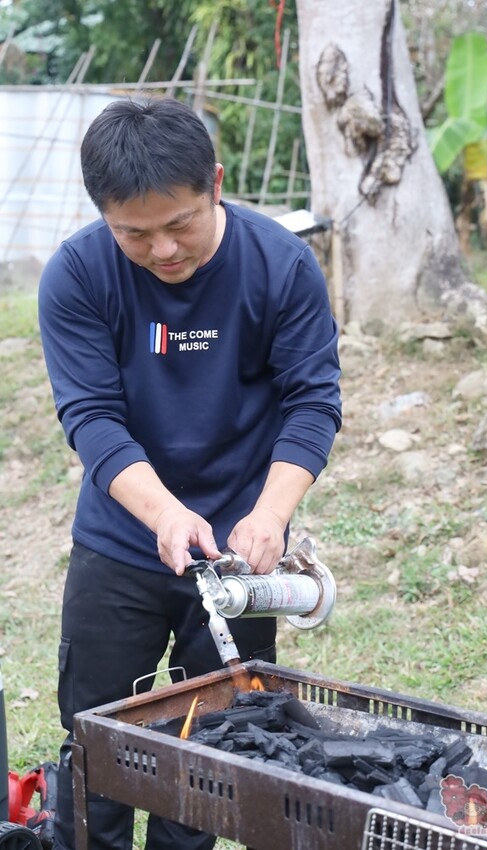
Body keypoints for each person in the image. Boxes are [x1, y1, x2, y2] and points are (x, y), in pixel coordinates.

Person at [37, 96, 342, 850]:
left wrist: (269, 516)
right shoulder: (77, 275)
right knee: (95, 740)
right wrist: (166, 514)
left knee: (213, 757)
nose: (163, 251)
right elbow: (93, 419)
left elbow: (312, 403)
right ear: (104, 216)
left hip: (243, 552)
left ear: (216, 182)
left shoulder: (281, 265)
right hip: (120, 543)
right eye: (134, 234)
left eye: (180, 225)